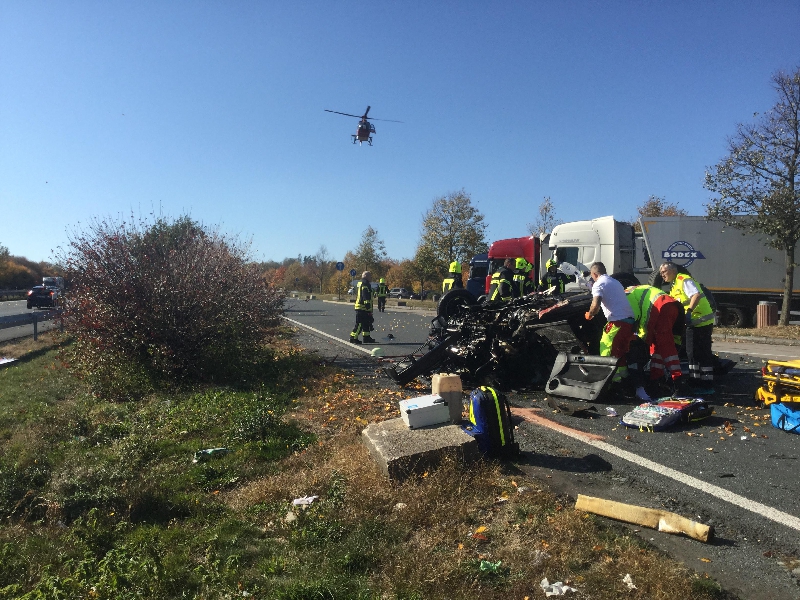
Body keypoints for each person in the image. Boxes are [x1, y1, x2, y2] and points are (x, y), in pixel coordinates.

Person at [659, 262, 715, 393]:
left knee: (702, 353)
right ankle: (695, 380)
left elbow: (696, 295)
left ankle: (707, 384)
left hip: (701, 321)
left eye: (664, 272)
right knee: (692, 353)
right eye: (660, 273)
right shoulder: (674, 286)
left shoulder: (683, 280)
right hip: (693, 323)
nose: (662, 275)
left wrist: (689, 311)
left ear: (673, 270)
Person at [625, 284, 684, 394]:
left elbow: (634, 317)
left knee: (666, 346)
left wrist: (638, 338)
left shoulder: (626, 295)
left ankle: (678, 382)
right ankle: (656, 379)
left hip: (661, 309)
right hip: (669, 306)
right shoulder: (633, 289)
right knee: (658, 347)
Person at [585, 262, 635, 384]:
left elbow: (595, 305)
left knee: (606, 349)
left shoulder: (598, 284)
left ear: (594, 274)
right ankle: (624, 380)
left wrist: (590, 314)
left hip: (617, 322)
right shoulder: (615, 282)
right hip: (629, 322)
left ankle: (609, 382)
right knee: (619, 352)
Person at [350, 271, 376, 344]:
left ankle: (366, 337)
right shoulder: (365, 284)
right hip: (362, 307)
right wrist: (368, 306)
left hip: (362, 307)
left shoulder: (360, 283)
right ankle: (353, 337)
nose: (371, 278)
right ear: (366, 276)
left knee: (366, 323)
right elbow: (365, 295)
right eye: (370, 276)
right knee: (360, 324)